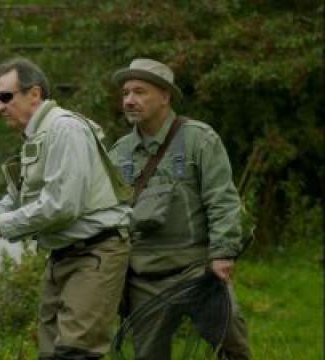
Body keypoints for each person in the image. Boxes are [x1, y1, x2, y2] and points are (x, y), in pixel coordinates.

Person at [0, 57, 132, 360]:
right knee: (49, 353)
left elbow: (62, 206)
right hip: (62, 255)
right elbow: (16, 202)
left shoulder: (65, 129)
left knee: (76, 353)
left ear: (34, 94)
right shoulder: (37, 137)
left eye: (6, 97)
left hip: (96, 252)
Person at [108, 58, 252, 359]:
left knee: (234, 346)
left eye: (140, 92)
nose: (130, 100)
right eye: (125, 93)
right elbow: (108, 217)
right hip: (143, 280)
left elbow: (222, 199)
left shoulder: (199, 139)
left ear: (165, 96)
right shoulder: (118, 152)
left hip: (198, 271)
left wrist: (223, 254)